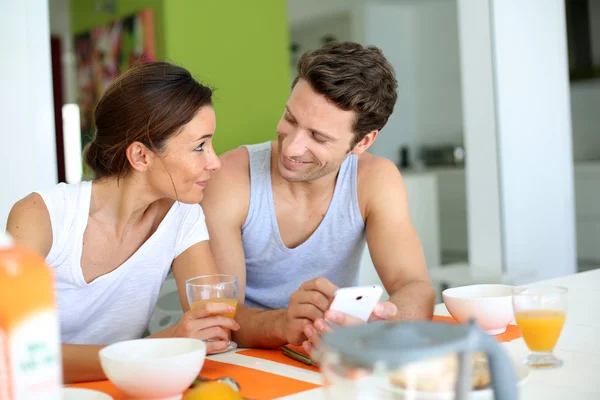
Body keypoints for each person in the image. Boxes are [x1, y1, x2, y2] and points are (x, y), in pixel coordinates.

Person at [6, 62, 239, 383]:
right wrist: (161, 345)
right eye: (199, 146)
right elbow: (11, 350)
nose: (215, 162)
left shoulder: (183, 214)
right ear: (141, 156)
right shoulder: (40, 215)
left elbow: (214, 325)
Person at [201, 41, 436, 356]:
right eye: (291, 119)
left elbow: (415, 287)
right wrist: (285, 323)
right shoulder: (229, 179)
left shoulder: (375, 180)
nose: (292, 147)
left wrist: (377, 324)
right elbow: (221, 317)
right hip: (241, 358)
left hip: (323, 357)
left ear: (362, 142)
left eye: (318, 137)